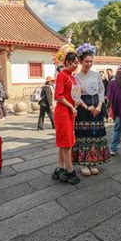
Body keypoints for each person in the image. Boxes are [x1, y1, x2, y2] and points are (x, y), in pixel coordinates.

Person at [73, 46, 110, 176]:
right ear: (81, 62)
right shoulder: (76, 77)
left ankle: (94, 161)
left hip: (97, 108)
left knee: (96, 135)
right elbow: (76, 95)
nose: (89, 64)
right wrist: (87, 107)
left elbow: (101, 90)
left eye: (91, 61)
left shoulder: (96, 75)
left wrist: (100, 106)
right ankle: (83, 163)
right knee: (84, 136)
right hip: (84, 109)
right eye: (86, 61)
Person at [52, 52, 81, 185]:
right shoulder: (62, 75)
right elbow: (58, 96)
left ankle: (60, 168)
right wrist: (71, 106)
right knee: (67, 143)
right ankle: (70, 171)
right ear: (68, 62)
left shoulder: (71, 76)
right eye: (74, 63)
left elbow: (73, 94)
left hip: (69, 112)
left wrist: (74, 104)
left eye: (77, 63)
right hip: (63, 112)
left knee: (64, 142)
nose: (76, 65)